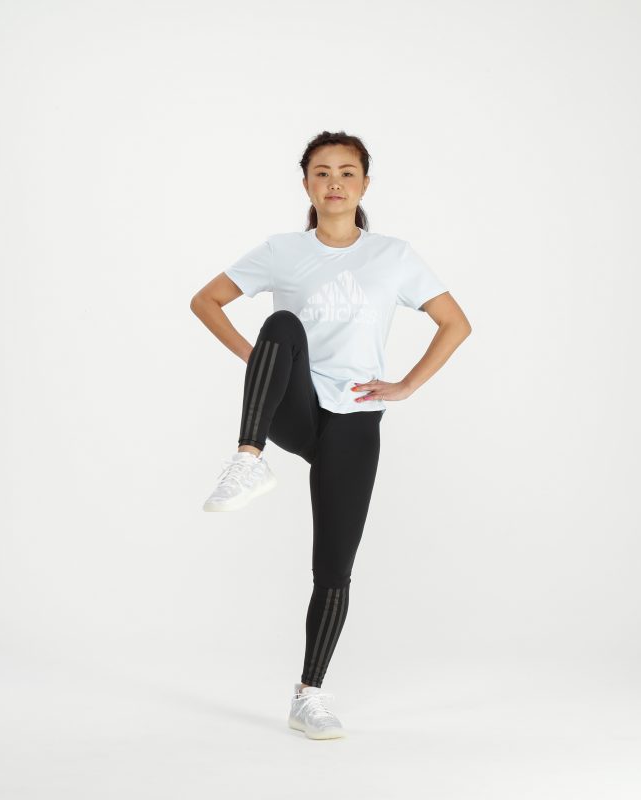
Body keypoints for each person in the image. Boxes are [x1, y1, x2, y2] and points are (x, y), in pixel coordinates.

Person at [189, 130, 472, 740]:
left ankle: (309, 695)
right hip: (294, 406)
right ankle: (248, 457)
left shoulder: (393, 256)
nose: (334, 182)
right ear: (306, 185)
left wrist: (406, 385)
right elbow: (206, 301)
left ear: (365, 185)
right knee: (281, 323)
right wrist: (261, 362)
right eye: (322, 172)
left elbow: (455, 322)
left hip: (354, 417)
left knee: (334, 567)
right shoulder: (282, 250)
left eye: (347, 172)